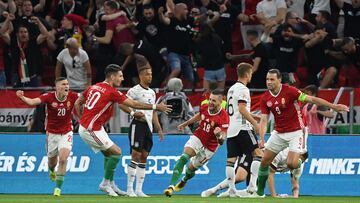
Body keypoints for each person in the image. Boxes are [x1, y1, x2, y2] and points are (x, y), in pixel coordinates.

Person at [74, 64, 171, 197]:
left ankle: (111, 184)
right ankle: (105, 183)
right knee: (117, 152)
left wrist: (81, 119)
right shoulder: (111, 91)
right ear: (112, 76)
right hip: (90, 129)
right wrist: (156, 106)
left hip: (94, 127)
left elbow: (78, 102)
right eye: (120, 76)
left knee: (109, 155)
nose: (122, 79)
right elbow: (134, 104)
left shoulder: (94, 86)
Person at [255, 69, 349, 197]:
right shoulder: (265, 97)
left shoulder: (290, 91)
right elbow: (264, 119)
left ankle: (299, 162)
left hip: (296, 131)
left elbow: (311, 99)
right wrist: (261, 138)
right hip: (279, 132)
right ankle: (259, 194)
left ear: (279, 80)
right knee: (264, 161)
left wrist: (333, 106)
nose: (269, 82)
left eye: (272, 79)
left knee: (291, 164)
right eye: (267, 79)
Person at [16, 77, 79, 196]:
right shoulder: (49, 97)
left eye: (67, 84)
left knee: (64, 159)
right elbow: (32, 101)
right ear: (57, 87)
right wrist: (22, 97)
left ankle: (58, 189)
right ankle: (51, 171)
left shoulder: (73, 96)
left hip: (66, 132)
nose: (66, 86)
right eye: (63, 84)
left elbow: (86, 97)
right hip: (52, 134)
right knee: (52, 163)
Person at [163, 89, 229, 197]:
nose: (210, 102)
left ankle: (184, 179)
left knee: (190, 169)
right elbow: (199, 115)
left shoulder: (224, 117)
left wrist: (218, 136)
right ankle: (170, 187)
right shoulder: (205, 107)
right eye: (210, 99)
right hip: (198, 137)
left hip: (210, 148)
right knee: (184, 157)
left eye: (213, 101)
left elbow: (222, 141)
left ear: (220, 102)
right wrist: (185, 124)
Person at [124, 55, 164, 197]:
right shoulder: (134, 90)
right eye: (147, 74)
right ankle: (129, 189)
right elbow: (123, 104)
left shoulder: (152, 93)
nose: (150, 77)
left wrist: (158, 128)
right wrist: (133, 113)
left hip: (148, 127)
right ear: (141, 76)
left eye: (151, 74)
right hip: (137, 125)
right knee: (135, 154)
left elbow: (152, 111)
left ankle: (139, 190)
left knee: (144, 156)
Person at [225, 63, 262, 197]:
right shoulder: (243, 89)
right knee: (258, 154)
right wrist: (255, 124)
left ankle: (232, 190)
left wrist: (254, 116)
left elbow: (235, 110)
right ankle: (252, 185)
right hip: (243, 128)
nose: (251, 76)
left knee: (231, 161)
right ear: (247, 74)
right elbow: (241, 108)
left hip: (231, 129)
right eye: (251, 73)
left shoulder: (231, 89)